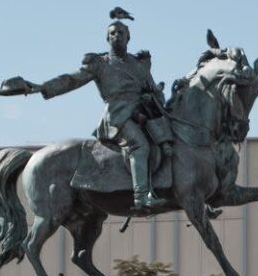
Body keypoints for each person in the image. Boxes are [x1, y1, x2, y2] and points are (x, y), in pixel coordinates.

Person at [23, 20, 173, 210]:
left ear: (128, 37)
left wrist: (154, 96)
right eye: (112, 33)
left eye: (120, 32)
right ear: (107, 38)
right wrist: (44, 87)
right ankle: (141, 197)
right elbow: (73, 79)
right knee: (140, 146)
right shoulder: (100, 64)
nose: (116, 35)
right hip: (118, 117)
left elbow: (154, 91)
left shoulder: (139, 64)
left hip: (144, 114)